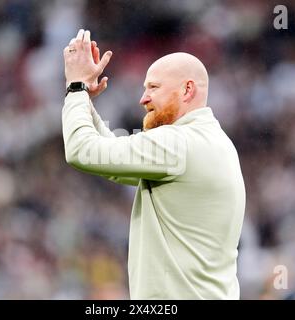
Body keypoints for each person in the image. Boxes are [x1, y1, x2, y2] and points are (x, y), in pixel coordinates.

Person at [62, 29, 246, 299]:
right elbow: (111, 159)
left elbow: (83, 150)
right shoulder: (213, 142)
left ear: (187, 89)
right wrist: (86, 101)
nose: (143, 99)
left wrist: (75, 88)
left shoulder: (178, 143)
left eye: (154, 88)